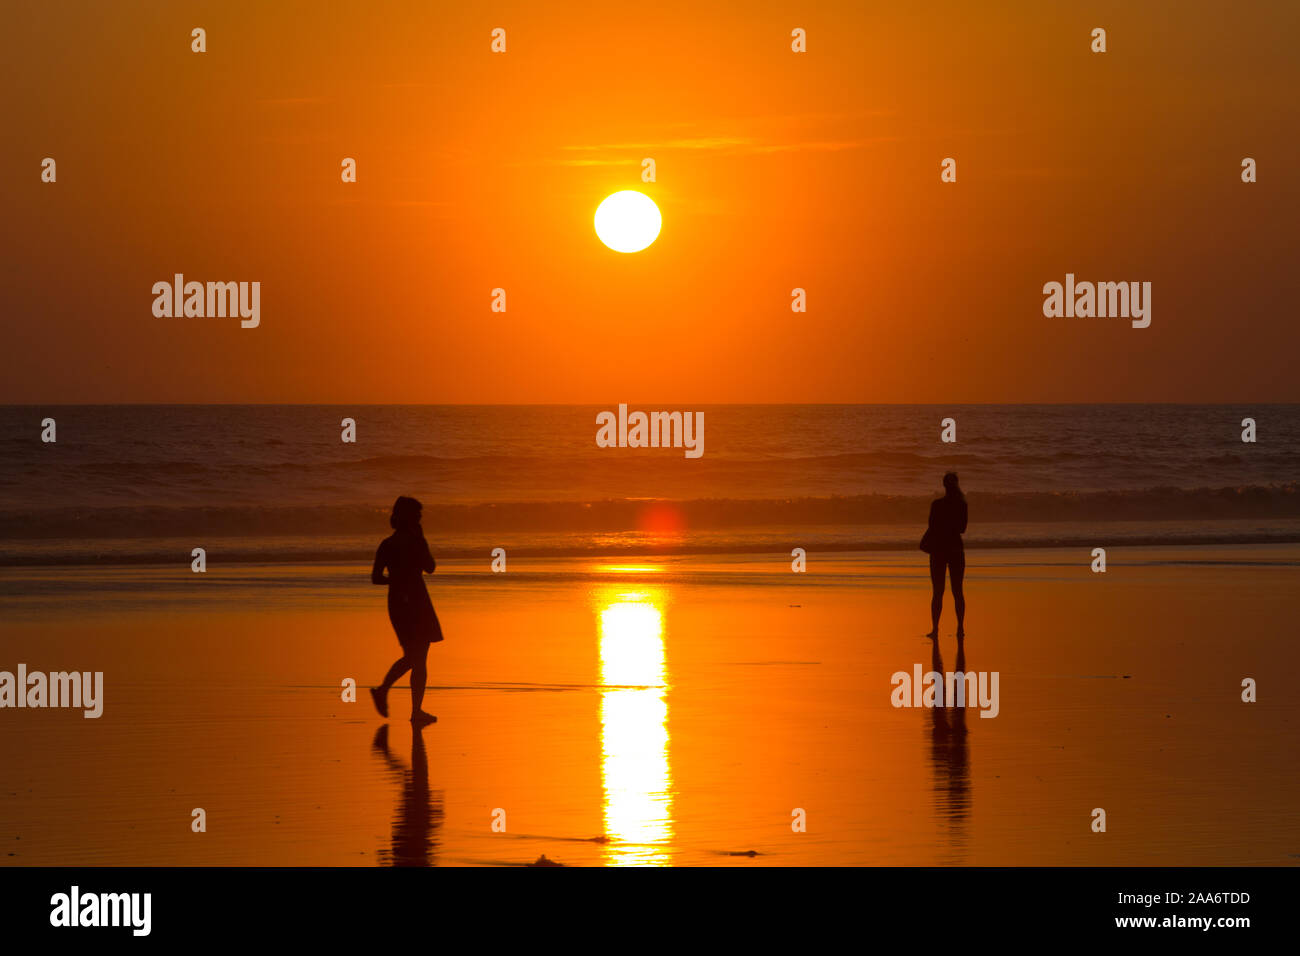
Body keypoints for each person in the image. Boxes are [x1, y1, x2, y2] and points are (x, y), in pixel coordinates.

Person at [370, 496, 442, 726]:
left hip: (398, 601)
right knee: (417, 658)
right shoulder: (416, 541)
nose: (421, 518)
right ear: (411, 517)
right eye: (418, 514)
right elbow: (430, 567)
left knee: (415, 657)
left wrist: (397, 581)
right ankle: (388, 694)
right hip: (418, 601)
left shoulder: (386, 544)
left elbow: (376, 578)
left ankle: (412, 709)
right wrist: (421, 541)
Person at [925, 472, 967, 639]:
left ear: (944, 485)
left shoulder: (936, 504)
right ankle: (960, 629)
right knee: (958, 591)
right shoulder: (962, 504)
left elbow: (931, 526)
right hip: (955, 548)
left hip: (938, 549)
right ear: (956, 484)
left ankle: (935, 629)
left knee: (937, 592)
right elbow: (962, 529)